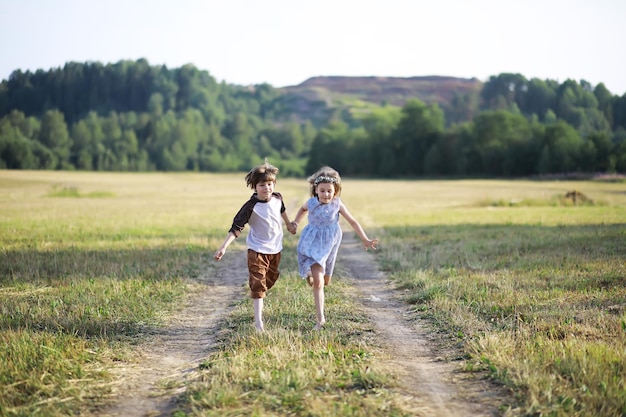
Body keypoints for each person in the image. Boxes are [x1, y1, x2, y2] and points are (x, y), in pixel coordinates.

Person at [291, 166, 378, 330]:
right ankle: (320, 319)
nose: (325, 194)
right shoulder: (311, 203)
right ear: (316, 190)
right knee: (318, 282)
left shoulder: (337, 204)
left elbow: (352, 221)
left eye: (329, 191)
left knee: (325, 281)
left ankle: (312, 275)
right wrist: (296, 223)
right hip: (312, 242)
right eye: (322, 190)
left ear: (335, 191)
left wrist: (365, 239)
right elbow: (302, 209)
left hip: (330, 245)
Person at [214, 160, 296, 332]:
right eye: (262, 185)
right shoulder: (251, 207)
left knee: (269, 280)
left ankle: (259, 292)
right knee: (258, 285)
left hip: (275, 249)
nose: (267, 188)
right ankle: (258, 323)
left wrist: (289, 224)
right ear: (254, 186)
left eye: (270, 184)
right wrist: (223, 247)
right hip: (257, 250)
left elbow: (282, 210)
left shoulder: (277, 198)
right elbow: (236, 228)